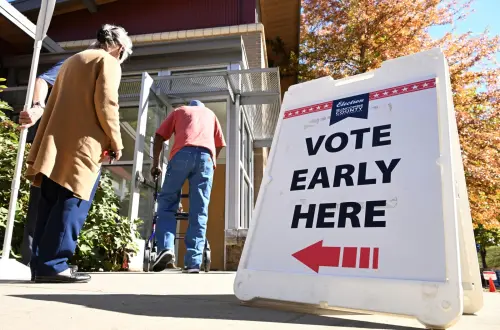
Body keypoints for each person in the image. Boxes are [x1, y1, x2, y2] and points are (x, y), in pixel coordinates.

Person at [25, 24, 133, 283]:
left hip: (54, 144)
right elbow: (107, 103)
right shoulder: (108, 61)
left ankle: (40, 265)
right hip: (83, 145)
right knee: (73, 201)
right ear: (119, 48)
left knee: (49, 202)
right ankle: (54, 264)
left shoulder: (73, 60)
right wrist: (116, 141)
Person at [151, 100, 226, 273]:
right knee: (199, 209)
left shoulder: (180, 111)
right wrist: (210, 161)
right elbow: (219, 144)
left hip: (181, 155)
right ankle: (193, 262)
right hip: (206, 158)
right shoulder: (210, 114)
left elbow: (159, 136)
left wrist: (156, 164)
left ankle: (166, 248)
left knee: (167, 202)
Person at [19, 59, 65, 267]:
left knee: (62, 205)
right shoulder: (78, 61)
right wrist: (38, 106)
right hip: (51, 142)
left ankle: (48, 263)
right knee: (42, 200)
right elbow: (43, 80)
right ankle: (33, 261)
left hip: (70, 144)